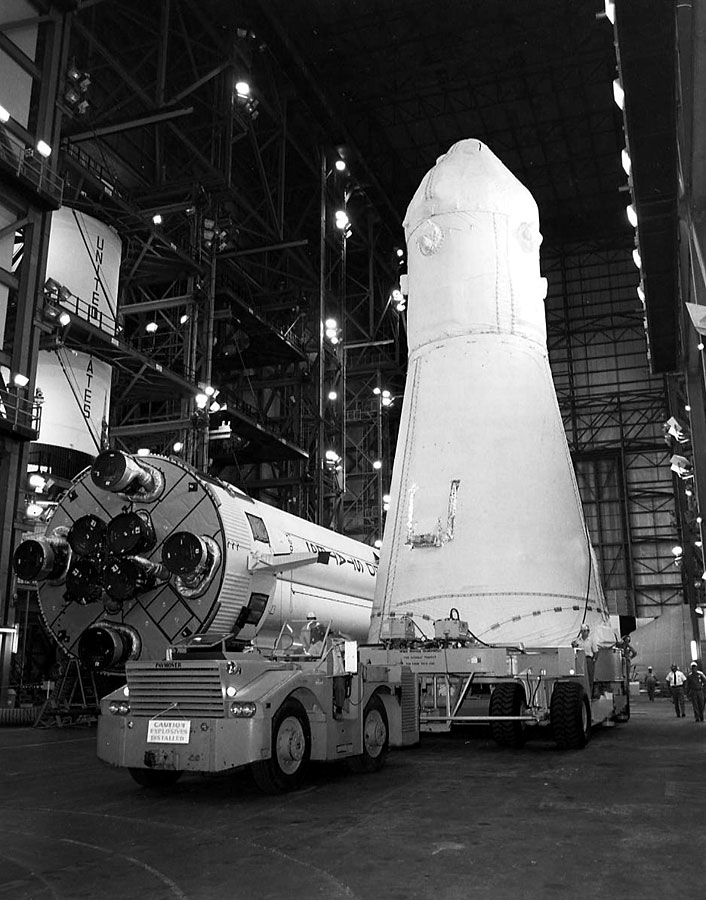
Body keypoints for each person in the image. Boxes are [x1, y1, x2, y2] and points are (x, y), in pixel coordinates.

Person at [572, 623, 599, 693]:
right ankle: (581, 692)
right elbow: (574, 647)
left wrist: (594, 660)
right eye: (583, 631)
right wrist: (573, 645)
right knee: (581, 676)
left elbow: (596, 651)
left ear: (588, 631)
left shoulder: (591, 640)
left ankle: (589, 693)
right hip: (580, 660)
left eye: (586, 631)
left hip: (588, 659)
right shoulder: (578, 640)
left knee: (590, 676)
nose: (584, 633)